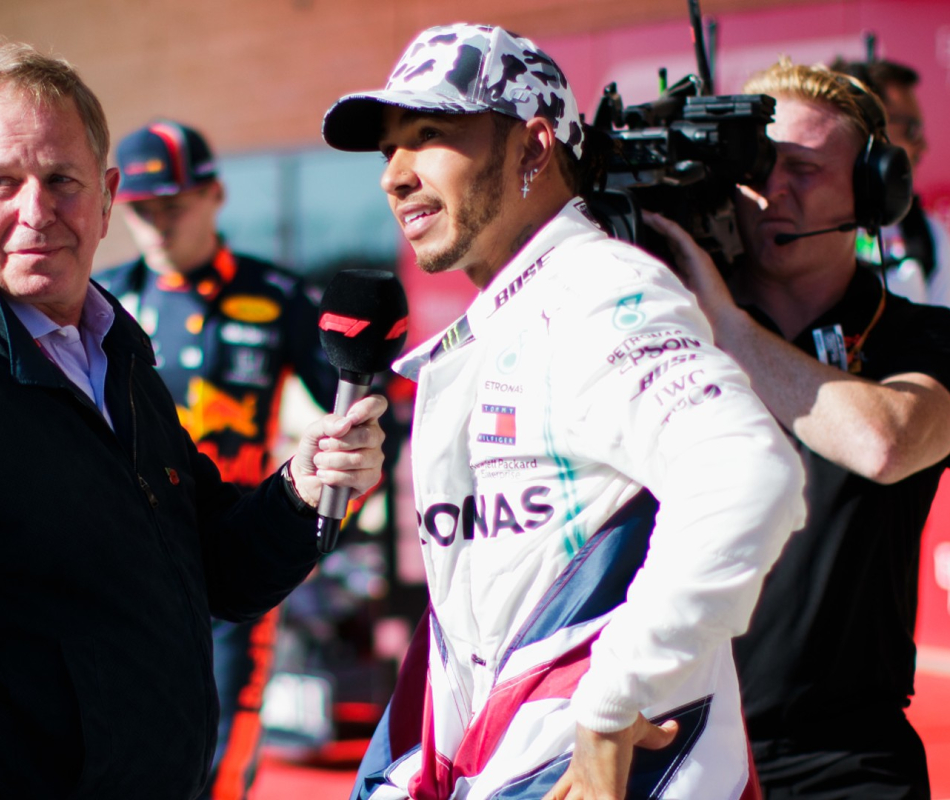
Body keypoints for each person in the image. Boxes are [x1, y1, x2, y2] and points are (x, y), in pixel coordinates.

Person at [0, 40, 387, 800]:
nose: (36, 211)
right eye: (2, 182)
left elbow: (213, 565)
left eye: (62, 180)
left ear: (107, 195)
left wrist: (302, 490)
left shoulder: (116, 353)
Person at [321, 23, 805, 800]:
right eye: (389, 150)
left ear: (535, 149)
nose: (396, 175)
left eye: (430, 134)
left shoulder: (597, 291)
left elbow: (747, 475)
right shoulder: (504, 320)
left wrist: (613, 703)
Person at [646, 58, 950, 799]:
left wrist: (729, 331)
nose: (771, 190)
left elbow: (886, 443)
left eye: (804, 169)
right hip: (670, 753)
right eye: (757, 165)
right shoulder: (661, 331)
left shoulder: (924, 340)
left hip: (843, 762)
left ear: (876, 192)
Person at [94, 120, 339, 800]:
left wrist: (326, 505)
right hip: (126, 558)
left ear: (214, 195)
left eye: (173, 203)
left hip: (233, 555)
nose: (157, 222)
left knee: (223, 755)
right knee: (121, 746)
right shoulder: (100, 302)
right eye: (141, 208)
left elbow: (353, 417)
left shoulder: (279, 294)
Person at [829, 57, 950, 308]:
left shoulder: (928, 234)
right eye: (911, 130)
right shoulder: (798, 228)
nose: (923, 146)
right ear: (863, 128)